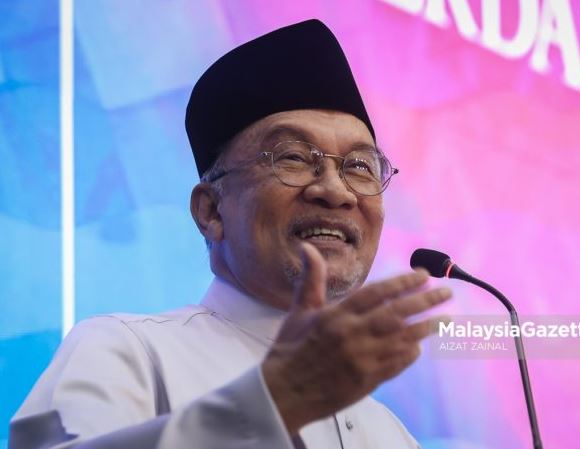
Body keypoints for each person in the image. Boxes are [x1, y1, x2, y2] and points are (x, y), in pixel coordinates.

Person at [9, 19, 451, 449]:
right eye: (293, 157)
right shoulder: (127, 352)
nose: (336, 191)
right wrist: (275, 403)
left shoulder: (390, 435)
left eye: (359, 166)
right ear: (211, 210)